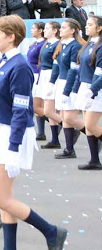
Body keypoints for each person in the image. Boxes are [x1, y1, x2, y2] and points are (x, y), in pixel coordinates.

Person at [0, 15, 67, 250]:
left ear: (11, 37)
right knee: (4, 195)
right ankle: (9, 249)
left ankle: (51, 231)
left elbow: (19, 109)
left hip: (9, 135)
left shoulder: (20, 67)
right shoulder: (2, 62)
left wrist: (14, 148)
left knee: (0, 198)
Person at [68, 16, 102, 169]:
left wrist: (92, 91)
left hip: (95, 88)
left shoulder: (100, 46)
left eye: (90, 24)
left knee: (91, 124)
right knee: (88, 128)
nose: (86, 27)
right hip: (85, 85)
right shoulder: (89, 44)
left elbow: (100, 74)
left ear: (99, 28)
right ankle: (94, 160)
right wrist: (75, 90)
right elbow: (80, 69)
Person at [49, 18, 85, 159]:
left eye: (64, 27)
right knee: (64, 117)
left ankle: (95, 136)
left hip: (68, 83)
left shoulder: (75, 46)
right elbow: (58, 66)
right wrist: (52, 83)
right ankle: (69, 149)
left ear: (72, 30)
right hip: (61, 81)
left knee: (69, 117)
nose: (61, 30)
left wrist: (67, 91)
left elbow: (73, 70)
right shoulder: (63, 45)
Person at [39, 22, 63, 150]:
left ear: (55, 31)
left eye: (47, 28)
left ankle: (72, 128)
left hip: (51, 75)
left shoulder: (57, 44)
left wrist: (52, 81)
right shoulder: (47, 43)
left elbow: (56, 64)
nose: (44, 31)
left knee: (48, 110)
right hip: (44, 74)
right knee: (49, 111)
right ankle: (55, 139)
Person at [27, 22, 47, 141]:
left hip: (37, 74)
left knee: (37, 106)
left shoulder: (42, 45)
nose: (31, 30)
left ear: (40, 31)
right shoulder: (35, 44)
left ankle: (58, 122)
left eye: (33, 28)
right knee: (37, 106)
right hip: (32, 74)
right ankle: (41, 132)